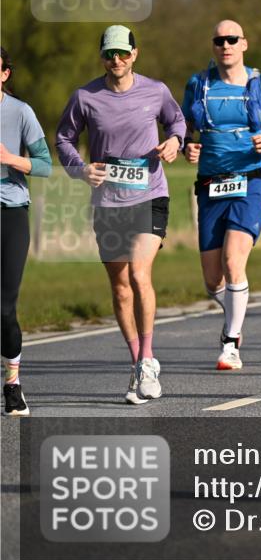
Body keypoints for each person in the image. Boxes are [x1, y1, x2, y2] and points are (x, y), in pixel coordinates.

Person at [55, 25, 185, 402]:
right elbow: (64, 138)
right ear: (102, 57)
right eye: (110, 54)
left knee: (140, 274)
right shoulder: (85, 97)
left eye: (123, 53)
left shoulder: (156, 90)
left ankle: (148, 360)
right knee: (120, 286)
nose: (117, 60)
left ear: (135, 54)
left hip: (150, 195)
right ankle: (136, 364)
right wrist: (81, 168)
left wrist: (175, 141)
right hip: (108, 201)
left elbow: (176, 121)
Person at [182, 20, 261, 370]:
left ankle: (230, 343)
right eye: (219, 40)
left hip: (251, 181)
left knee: (234, 261)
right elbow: (185, 126)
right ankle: (235, 311)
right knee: (212, 281)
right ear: (213, 45)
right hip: (211, 184)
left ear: (244, 43)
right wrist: (188, 146)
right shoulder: (198, 84)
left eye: (232, 39)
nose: (226, 45)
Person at [0, 47, 52, 416]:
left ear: (5, 74)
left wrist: (8, 159)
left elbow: (46, 164)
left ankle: (13, 384)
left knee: (4, 308)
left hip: (10, 213)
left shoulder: (20, 112)